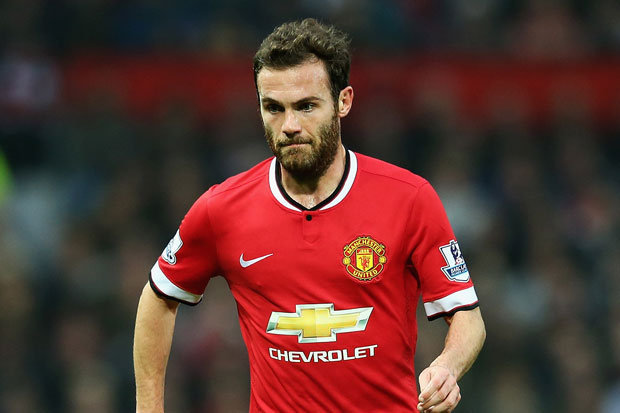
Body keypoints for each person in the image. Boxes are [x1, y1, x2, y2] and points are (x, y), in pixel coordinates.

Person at [134, 18, 486, 413]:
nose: (289, 126)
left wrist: (447, 367)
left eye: (306, 106)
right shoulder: (221, 209)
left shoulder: (409, 198)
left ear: (343, 102)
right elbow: (158, 298)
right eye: (274, 108)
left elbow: (468, 318)